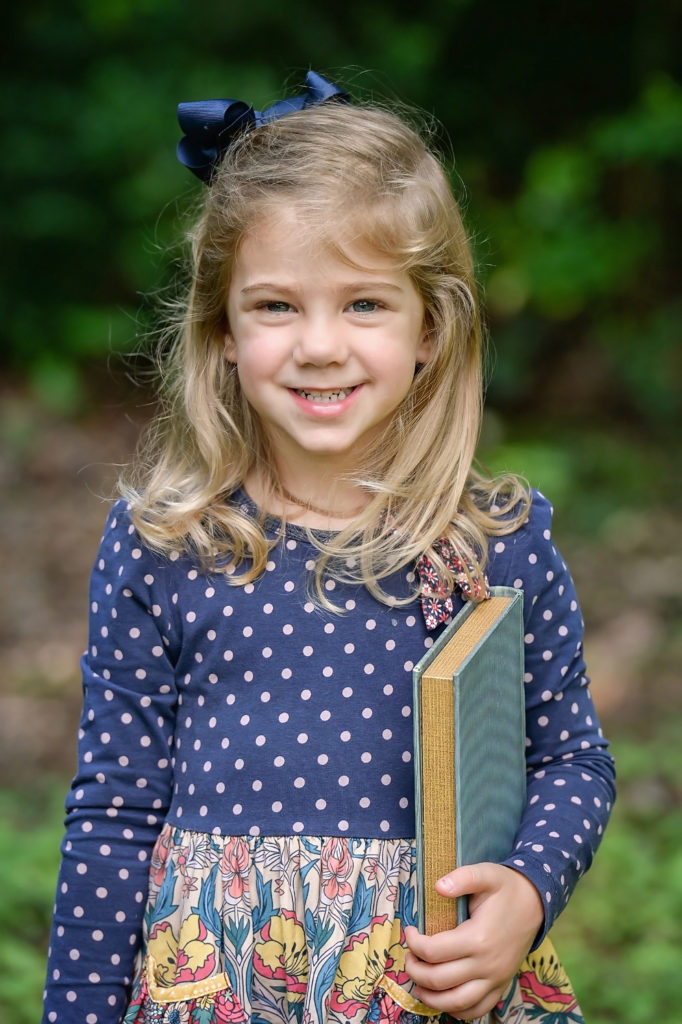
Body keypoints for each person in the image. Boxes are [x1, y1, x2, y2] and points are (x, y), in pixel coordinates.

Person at [43, 71, 615, 1024]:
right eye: (275, 306)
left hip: (427, 985)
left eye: (363, 305)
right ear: (221, 327)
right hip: (219, 984)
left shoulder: (494, 546)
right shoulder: (170, 544)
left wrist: (526, 890)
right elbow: (112, 813)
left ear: (430, 326)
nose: (318, 345)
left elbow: (570, 760)